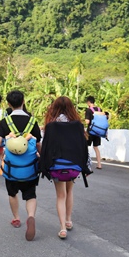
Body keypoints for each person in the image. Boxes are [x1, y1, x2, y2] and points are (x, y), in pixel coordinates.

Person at [0, 90, 42, 241]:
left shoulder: (5, 121)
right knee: (30, 194)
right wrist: (42, 157)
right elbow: (38, 143)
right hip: (29, 167)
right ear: (23, 101)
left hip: (11, 167)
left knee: (12, 193)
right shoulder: (32, 121)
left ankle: (16, 218)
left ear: (8, 104)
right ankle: (30, 216)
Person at [40, 96, 91, 240]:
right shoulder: (77, 125)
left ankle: (62, 228)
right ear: (71, 108)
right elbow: (83, 148)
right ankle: (69, 220)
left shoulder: (50, 126)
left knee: (60, 195)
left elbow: (46, 148)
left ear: (54, 108)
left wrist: (44, 167)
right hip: (73, 166)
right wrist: (86, 168)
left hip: (57, 166)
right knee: (70, 191)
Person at [85, 96, 104, 169]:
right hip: (98, 131)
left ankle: (85, 163)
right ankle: (99, 164)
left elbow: (87, 121)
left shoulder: (89, 110)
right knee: (96, 147)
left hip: (91, 131)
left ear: (89, 102)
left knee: (85, 147)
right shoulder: (99, 109)